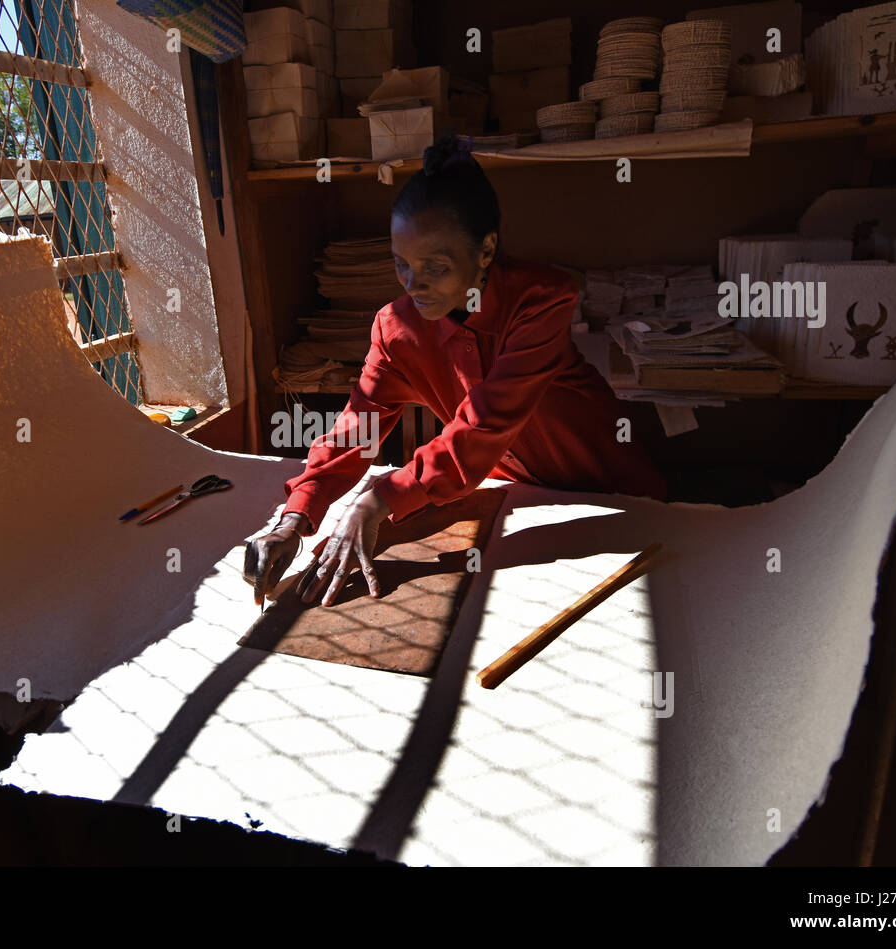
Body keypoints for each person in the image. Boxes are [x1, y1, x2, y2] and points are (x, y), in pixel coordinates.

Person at [244, 133, 668, 608]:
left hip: (610, 493)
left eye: (435, 267)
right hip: (515, 498)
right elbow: (355, 431)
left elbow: (484, 425)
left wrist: (380, 496)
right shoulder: (396, 327)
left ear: (486, 250)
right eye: (401, 263)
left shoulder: (541, 301)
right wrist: (295, 518)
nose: (413, 284)